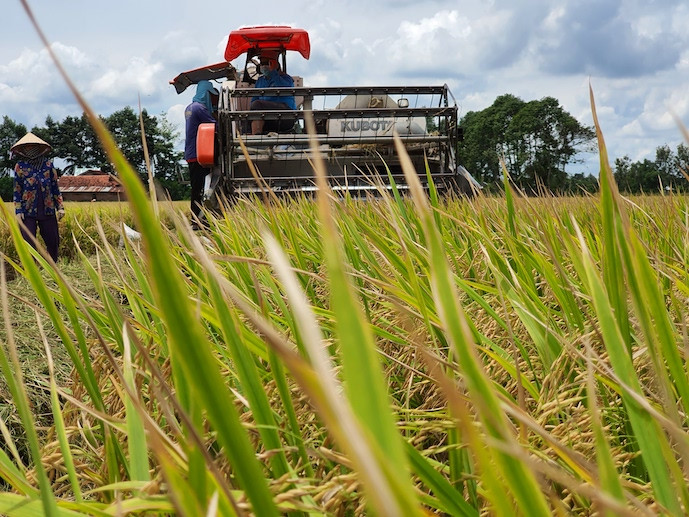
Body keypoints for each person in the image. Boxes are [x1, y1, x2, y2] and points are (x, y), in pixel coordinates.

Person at [11, 132, 65, 263]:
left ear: (38, 148)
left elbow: (55, 187)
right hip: (27, 210)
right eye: (27, 147)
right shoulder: (20, 167)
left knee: (53, 240)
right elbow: (17, 190)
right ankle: (32, 271)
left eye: (32, 146)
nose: (30, 149)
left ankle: (53, 267)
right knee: (28, 241)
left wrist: (60, 207)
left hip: (47, 208)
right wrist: (18, 211)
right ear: (23, 150)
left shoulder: (48, 165)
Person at [185, 80, 219, 229]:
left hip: (193, 153)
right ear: (206, 94)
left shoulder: (190, 107)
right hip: (200, 154)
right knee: (199, 189)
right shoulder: (200, 108)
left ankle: (198, 220)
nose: (213, 100)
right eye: (212, 96)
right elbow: (215, 125)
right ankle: (197, 222)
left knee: (197, 188)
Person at [250, 50, 296, 135]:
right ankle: (254, 138)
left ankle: (256, 138)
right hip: (267, 118)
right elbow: (253, 101)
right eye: (261, 63)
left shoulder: (286, 79)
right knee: (252, 112)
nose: (263, 66)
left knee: (258, 105)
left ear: (275, 63)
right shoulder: (260, 81)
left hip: (286, 117)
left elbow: (283, 87)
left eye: (266, 63)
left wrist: (273, 72)